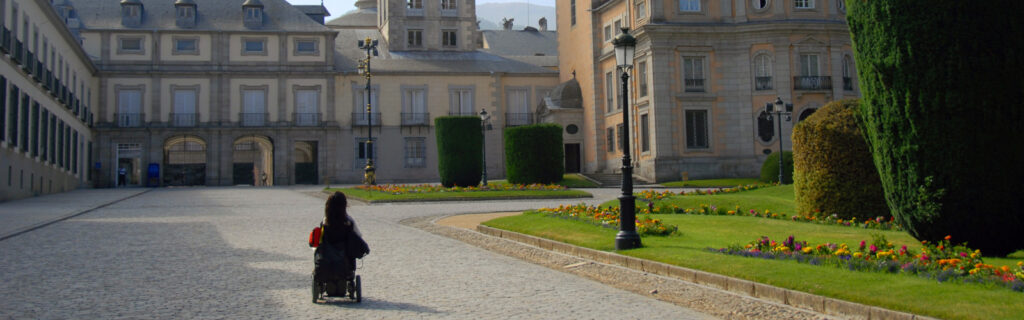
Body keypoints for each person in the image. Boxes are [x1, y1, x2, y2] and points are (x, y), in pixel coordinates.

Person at [317, 192, 369, 281]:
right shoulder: (349, 222)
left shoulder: (324, 222)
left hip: (327, 259)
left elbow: (318, 241)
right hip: (345, 259)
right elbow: (358, 236)